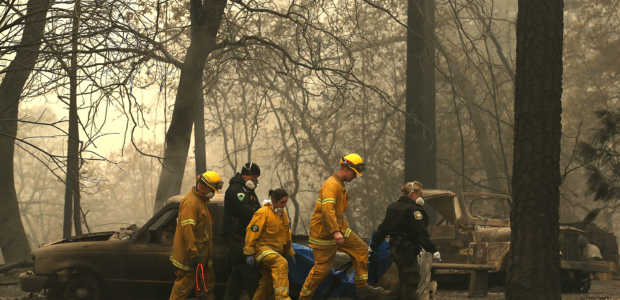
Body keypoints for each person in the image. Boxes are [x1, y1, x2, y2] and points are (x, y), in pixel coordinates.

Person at [299, 153, 387, 300]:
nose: (355, 177)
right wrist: (335, 232)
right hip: (324, 234)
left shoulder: (340, 185)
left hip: (339, 230)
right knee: (322, 269)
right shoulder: (331, 185)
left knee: (361, 250)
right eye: (354, 173)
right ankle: (304, 297)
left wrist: (342, 230)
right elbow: (328, 210)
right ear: (346, 168)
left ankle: (362, 289)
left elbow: (338, 213)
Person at [370, 181, 441, 300]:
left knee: (401, 280)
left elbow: (383, 228)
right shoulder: (414, 210)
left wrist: (373, 246)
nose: (421, 197)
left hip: (393, 248)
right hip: (407, 250)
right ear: (413, 193)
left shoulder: (392, 207)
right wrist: (433, 250)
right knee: (411, 279)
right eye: (420, 194)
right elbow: (421, 233)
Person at [168, 170, 224, 300]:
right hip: (192, 256)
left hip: (201, 255)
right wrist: (194, 253)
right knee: (182, 290)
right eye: (212, 189)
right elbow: (187, 231)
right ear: (204, 186)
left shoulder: (201, 201)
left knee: (205, 288)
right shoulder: (191, 203)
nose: (213, 193)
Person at [244, 188, 296, 300]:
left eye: (285, 202)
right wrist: (249, 252)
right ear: (274, 201)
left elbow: (287, 234)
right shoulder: (263, 213)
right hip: (262, 251)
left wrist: (289, 251)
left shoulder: (283, 215)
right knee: (281, 264)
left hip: (275, 252)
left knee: (267, 283)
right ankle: (283, 298)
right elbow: (252, 232)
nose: (284, 205)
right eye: (282, 202)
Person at [224, 162, 262, 300]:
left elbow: (256, 208)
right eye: (254, 177)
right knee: (249, 276)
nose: (256, 181)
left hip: (244, 238)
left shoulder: (248, 191)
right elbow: (246, 212)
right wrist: (260, 216)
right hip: (237, 239)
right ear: (247, 176)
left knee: (237, 278)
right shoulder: (236, 190)